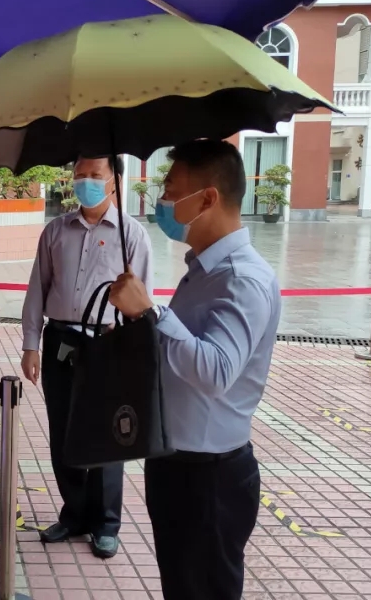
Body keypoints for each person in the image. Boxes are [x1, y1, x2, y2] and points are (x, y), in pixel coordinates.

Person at [108, 140, 281, 600]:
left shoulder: (242, 279)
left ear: (207, 199)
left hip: (209, 479)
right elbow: (180, 352)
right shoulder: (203, 271)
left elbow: (216, 371)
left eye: (170, 189)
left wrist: (152, 313)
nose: (162, 200)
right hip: (176, 463)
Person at [21, 155, 153, 558]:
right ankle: (75, 514)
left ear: (114, 182)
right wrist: (31, 345)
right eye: (80, 175)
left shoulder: (132, 236)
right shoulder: (55, 231)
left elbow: (143, 301)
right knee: (64, 432)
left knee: (109, 435)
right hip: (61, 340)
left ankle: (106, 523)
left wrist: (133, 350)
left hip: (108, 343)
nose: (86, 182)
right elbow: (38, 288)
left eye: (95, 175)